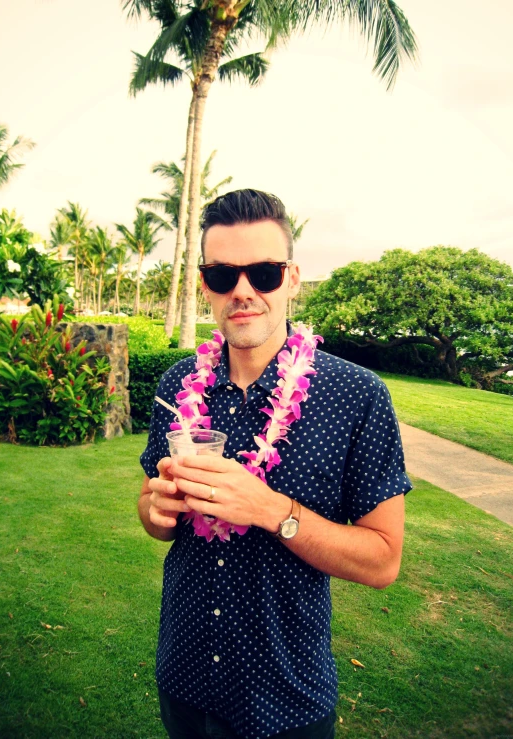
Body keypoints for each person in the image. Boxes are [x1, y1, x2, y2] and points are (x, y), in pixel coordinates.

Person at [138, 189, 412, 739]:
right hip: (184, 682)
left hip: (285, 700)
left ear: (290, 279)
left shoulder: (356, 396)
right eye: (222, 276)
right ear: (203, 285)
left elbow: (383, 561)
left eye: (263, 272)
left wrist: (272, 510)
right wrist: (155, 507)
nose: (243, 292)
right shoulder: (177, 387)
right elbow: (152, 516)